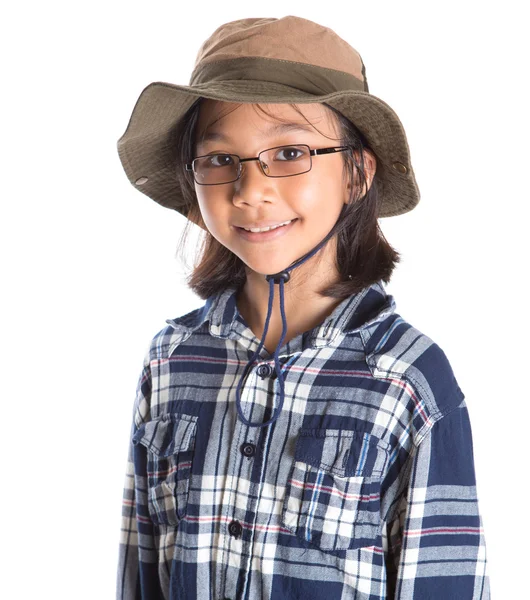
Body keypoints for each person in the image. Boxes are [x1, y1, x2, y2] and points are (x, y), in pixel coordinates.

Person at [115, 16, 490, 600]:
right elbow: (140, 575)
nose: (249, 190)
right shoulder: (171, 361)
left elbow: (446, 584)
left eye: (289, 152)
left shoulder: (409, 380)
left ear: (358, 173)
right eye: (219, 160)